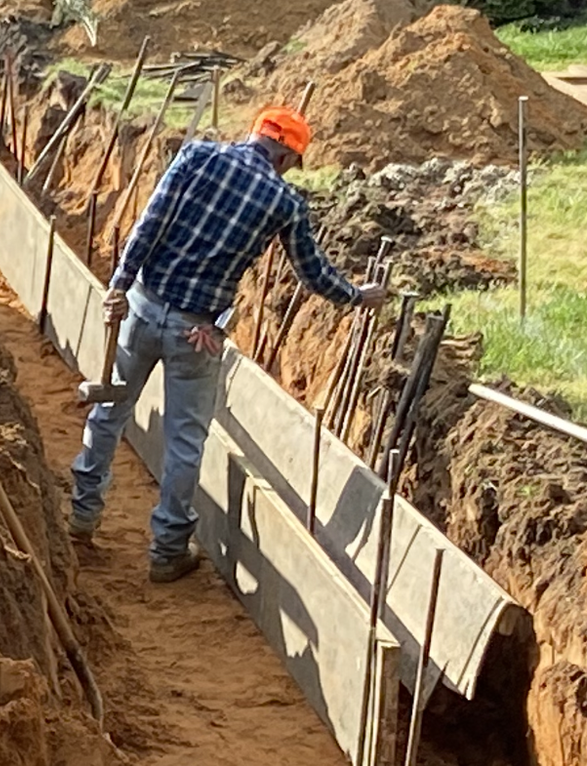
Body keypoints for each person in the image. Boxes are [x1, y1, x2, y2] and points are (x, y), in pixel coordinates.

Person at [70, 105, 386, 583]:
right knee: (184, 443)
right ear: (286, 158)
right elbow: (313, 272)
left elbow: (149, 224)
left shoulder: (196, 157)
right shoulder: (284, 202)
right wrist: (357, 296)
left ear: (254, 135)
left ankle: (81, 516)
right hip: (196, 334)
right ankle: (167, 551)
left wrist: (119, 285)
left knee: (109, 411)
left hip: (141, 309)